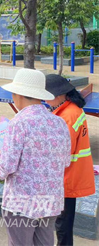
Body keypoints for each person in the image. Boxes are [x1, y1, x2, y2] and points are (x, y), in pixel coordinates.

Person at [0, 69, 71, 246]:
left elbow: (6, 167)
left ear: (19, 95)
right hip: (50, 200)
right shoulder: (59, 122)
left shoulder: (19, 123)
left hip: (22, 202)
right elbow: (65, 161)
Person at [45, 74, 95, 246]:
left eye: (46, 96)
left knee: (62, 225)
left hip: (65, 178)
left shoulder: (66, 117)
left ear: (58, 95)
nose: (44, 101)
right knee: (64, 222)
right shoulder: (73, 109)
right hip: (71, 175)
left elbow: (61, 152)